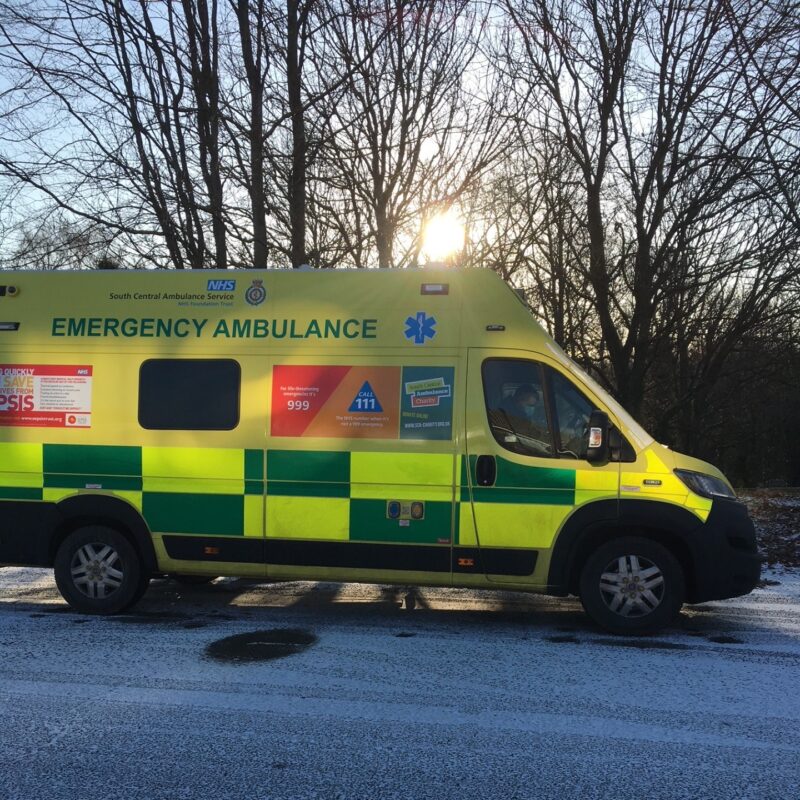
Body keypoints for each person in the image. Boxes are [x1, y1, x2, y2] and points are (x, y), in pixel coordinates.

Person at [489, 383, 552, 455]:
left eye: (534, 406)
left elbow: (530, 432)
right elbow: (505, 438)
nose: (532, 409)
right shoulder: (502, 415)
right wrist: (524, 440)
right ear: (519, 400)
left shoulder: (521, 415)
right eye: (530, 405)